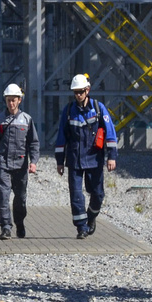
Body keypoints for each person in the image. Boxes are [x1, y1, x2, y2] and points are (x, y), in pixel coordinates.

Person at [55, 73, 118, 238]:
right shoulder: (68, 111)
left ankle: (91, 217)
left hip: (94, 158)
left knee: (97, 194)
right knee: (76, 195)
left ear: (87, 90)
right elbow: (61, 137)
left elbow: (110, 132)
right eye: (75, 92)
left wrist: (112, 156)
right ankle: (81, 228)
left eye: (81, 91)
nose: (78, 95)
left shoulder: (98, 108)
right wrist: (60, 162)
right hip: (74, 159)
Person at [0, 83, 40, 240]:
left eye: (14, 100)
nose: (11, 103)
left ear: (19, 100)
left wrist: (34, 162)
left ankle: (20, 222)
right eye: (8, 100)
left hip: (21, 165)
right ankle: (6, 227)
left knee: (20, 198)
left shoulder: (27, 120)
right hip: (2, 163)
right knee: (3, 197)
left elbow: (34, 143)